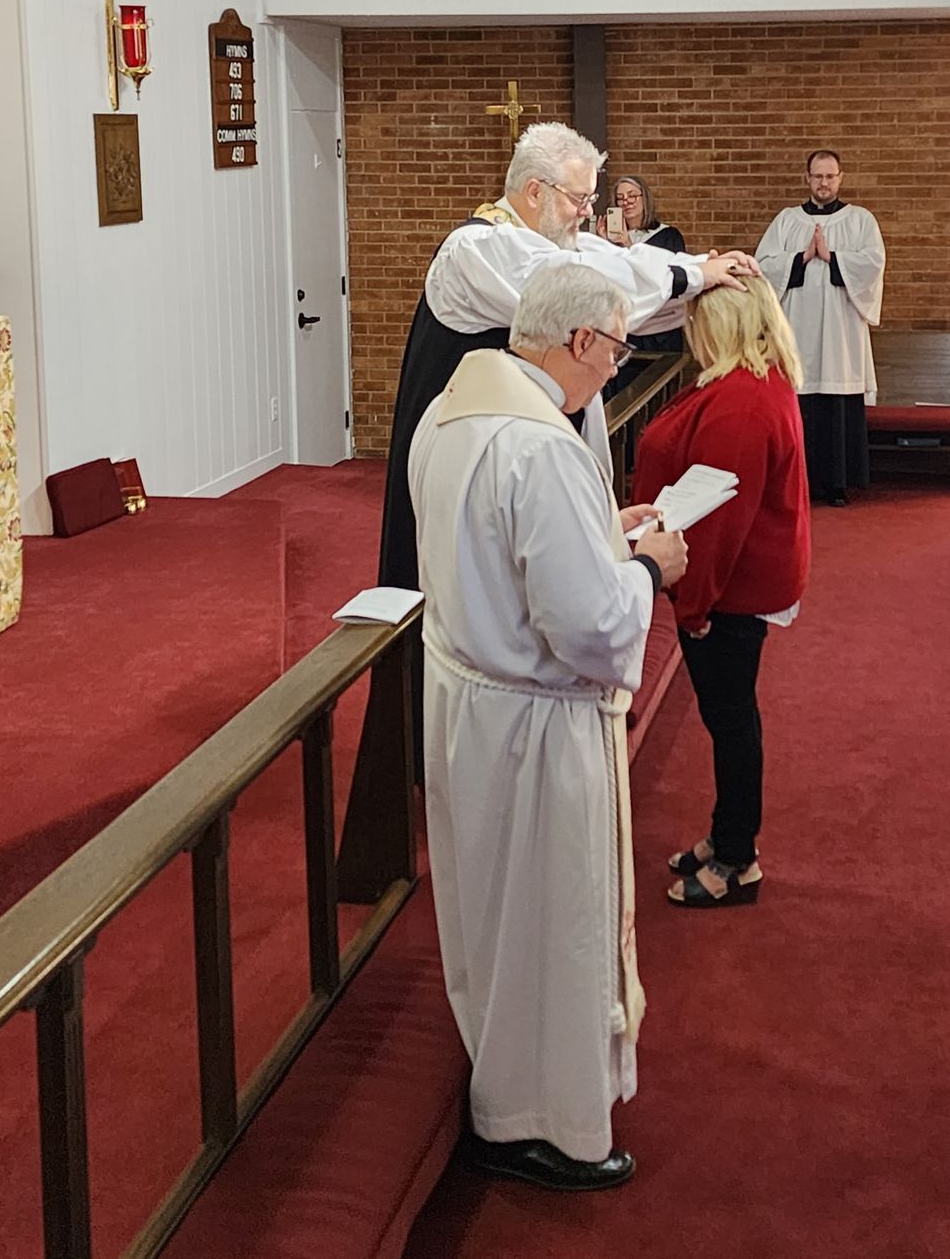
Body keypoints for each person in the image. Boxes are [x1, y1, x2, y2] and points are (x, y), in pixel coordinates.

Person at [338, 124, 757, 894]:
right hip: (470, 471)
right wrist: (691, 273)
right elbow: (578, 293)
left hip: (511, 468)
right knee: (470, 616)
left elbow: (608, 268)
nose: (587, 214)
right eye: (577, 198)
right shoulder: (477, 249)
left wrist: (699, 273)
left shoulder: (551, 246)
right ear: (533, 191)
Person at [409, 267, 688, 1190]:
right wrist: (649, 567)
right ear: (576, 343)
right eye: (612, 351)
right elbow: (593, 628)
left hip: (467, 706)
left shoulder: (448, 415)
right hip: (534, 725)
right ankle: (543, 1125)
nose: (612, 371)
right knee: (547, 922)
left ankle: (504, 1094)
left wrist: (602, 529)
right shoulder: (543, 447)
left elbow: (492, 546)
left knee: (491, 917)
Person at [633, 276, 810, 908]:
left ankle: (739, 858)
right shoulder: (741, 382)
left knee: (732, 721)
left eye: (697, 320)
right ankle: (726, 835)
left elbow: (717, 521)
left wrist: (694, 604)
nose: (689, 332)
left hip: (728, 591)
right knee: (729, 718)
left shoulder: (740, 402)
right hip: (730, 583)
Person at [755, 149, 886, 506]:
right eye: (817, 176)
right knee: (800, 402)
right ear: (807, 178)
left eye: (830, 176)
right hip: (798, 328)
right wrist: (801, 258)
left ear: (840, 178)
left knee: (836, 402)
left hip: (842, 332)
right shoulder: (786, 220)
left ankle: (837, 484)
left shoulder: (860, 221)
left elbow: (874, 264)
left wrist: (833, 258)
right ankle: (797, 483)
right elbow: (762, 264)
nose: (823, 183)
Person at [598, 174, 688, 368]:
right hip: (624, 329)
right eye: (620, 199)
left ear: (644, 198)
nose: (626, 202)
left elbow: (661, 278)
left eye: (632, 196)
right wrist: (604, 244)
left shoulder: (668, 236)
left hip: (658, 329)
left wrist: (628, 244)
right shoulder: (610, 242)